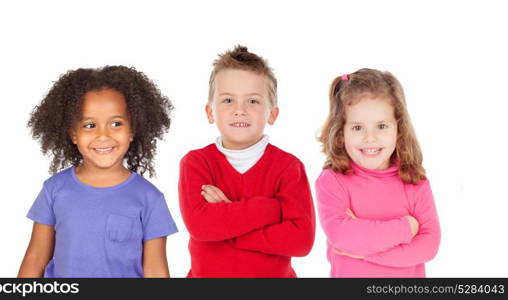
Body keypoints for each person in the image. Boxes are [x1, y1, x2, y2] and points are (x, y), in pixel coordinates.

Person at [18, 66, 178, 278]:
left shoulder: (150, 198)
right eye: (90, 125)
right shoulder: (54, 190)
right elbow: (35, 259)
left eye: (116, 123)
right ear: (73, 134)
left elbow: (156, 271)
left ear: (132, 130)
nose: (103, 135)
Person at [178, 45, 315, 277]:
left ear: (272, 114)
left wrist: (226, 219)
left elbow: (300, 240)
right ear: (210, 112)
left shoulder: (289, 167)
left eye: (253, 101)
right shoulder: (196, 163)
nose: (239, 110)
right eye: (228, 100)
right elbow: (201, 227)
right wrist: (271, 208)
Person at [316, 68, 440, 277]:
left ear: (398, 129)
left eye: (381, 126)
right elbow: (343, 237)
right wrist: (406, 228)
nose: (370, 138)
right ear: (341, 131)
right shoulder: (333, 181)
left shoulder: (414, 181)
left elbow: (429, 245)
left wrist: (367, 254)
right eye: (357, 128)